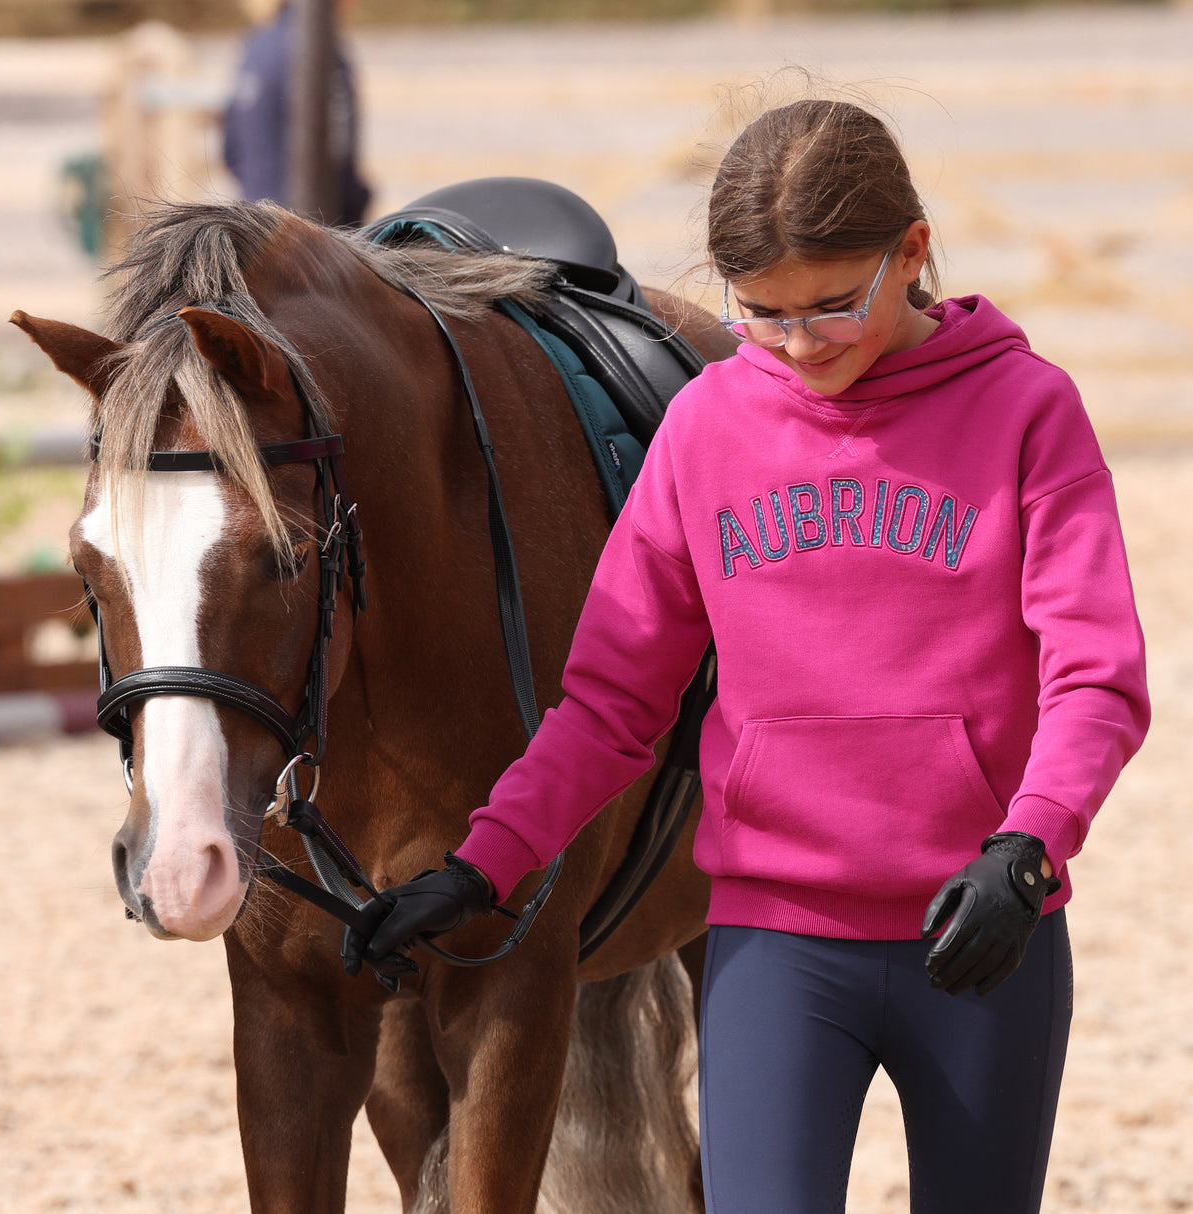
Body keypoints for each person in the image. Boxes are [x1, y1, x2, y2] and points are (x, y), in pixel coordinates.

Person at [341, 97, 1150, 1212]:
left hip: (982, 929)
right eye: (759, 313)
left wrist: (1027, 845)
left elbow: (1095, 675)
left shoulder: (1025, 410)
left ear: (909, 251)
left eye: (829, 305)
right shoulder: (706, 426)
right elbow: (611, 699)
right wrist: (483, 862)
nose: (799, 343)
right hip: (776, 946)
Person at [221, 0, 371, 227]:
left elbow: (231, 148)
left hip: (251, 224)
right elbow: (340, 156)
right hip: (309, 232)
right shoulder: (323, 53)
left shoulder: (256, 46)